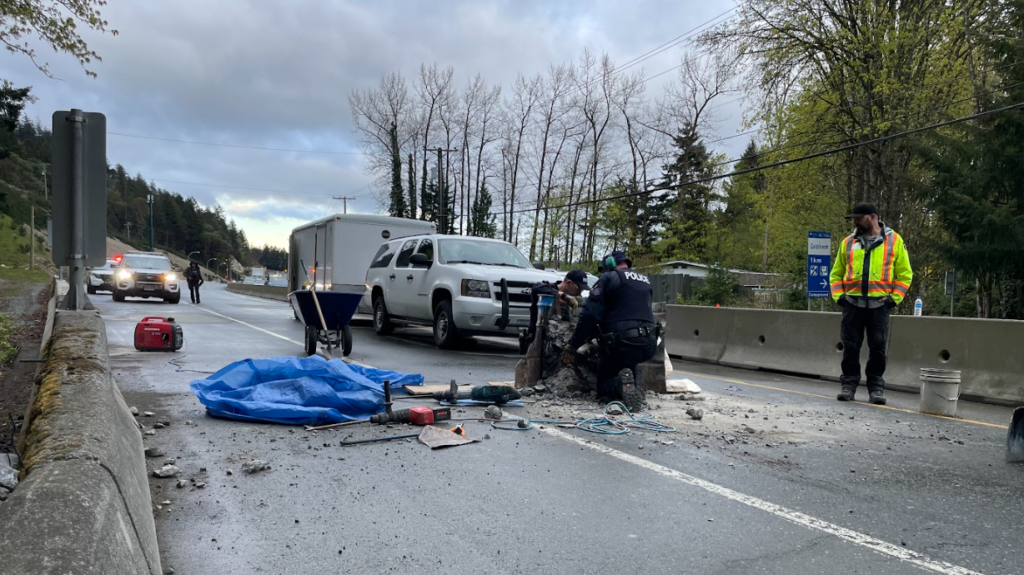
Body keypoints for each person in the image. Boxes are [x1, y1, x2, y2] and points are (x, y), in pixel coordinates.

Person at [829, 203, 913, 405]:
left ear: (872, 217)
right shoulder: (849, 242)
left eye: (859, 218)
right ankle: (848, 386)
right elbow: (836, 274)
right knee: (851, 347)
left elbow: (905, 274)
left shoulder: (894, 241)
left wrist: (893, 300)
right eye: (854, 219)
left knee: (878, 348)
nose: (855, 222)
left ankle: (876, 389)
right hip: (853, 305)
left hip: (879, 306)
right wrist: (840, 298)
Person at [566, 251, 658, 411]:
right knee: (629, 362)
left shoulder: (610, 277)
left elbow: (590, 315)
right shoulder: (645, 281)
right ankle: (634, 386)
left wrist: (573, 345)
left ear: (609, 265)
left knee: (602, 386)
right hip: (649, 343)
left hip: (621, 343)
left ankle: (617, 386)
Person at [519, 270, 589, 354]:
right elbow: (536, 288)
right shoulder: (546, 289)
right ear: (569, 283)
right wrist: (563, 295)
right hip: (539, 345)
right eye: (579, 288)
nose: (580, 292)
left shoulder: (577, 300)